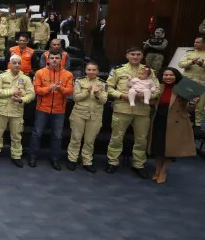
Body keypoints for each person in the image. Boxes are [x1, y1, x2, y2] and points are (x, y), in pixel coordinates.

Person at [105, 46, 157, 177]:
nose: (135, 57)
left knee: (141, 139)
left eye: (138, 54)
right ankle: (112, 161)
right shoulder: (118, 70)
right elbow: (109, 88)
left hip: (142, 110)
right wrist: (122, 95)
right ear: (127, 55)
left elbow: (157, 90)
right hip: (123, 108)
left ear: (142, 56)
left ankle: (138, 164)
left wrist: (148, 95)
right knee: (117, 137)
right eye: (132, 54)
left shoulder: (149, 71)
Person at [148, 68, 197, 184]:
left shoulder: (183, 88)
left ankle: (163, 171)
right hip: (159, 119)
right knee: (158, 146)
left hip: (176, 122)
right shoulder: (159, 87)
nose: (168, 77)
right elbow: (152, 103)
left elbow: (190, 109)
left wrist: (193, 102)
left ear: (176, 76)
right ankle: (157, 170)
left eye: (171, 75)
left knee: (171, 148)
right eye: (166, 75)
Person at [27, 50, 74, 169]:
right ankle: (32, 157)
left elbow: (70, 91)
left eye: (57, 58)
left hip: (59, 110)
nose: (54, 60)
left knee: (57, 136)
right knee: (37, 134)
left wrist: (60, 89)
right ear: (47, 59)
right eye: (52, 58)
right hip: (42, 108)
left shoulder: (68, 74)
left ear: (61, 59)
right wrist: (49, 88)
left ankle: (55, 159)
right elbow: (37, 90)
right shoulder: (40, 73)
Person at [0, 54, 35, 167]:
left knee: (16, 135)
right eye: (14, 63)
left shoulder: (26, 78)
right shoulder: (1, 76)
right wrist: (12, 92)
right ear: (10, 64)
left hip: (17, 111)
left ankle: (16, 155)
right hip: (2, 110)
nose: (17, 65)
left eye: (19, 63)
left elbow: (32, 94)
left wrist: (21, 99)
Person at [67, 62, 107, 172]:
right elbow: (76, 97)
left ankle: (87, 161)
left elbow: (104, 100)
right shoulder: (79, 81)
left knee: (89, 141)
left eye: (94, 70)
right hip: (79, 113)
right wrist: (88, 92)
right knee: (75, 138)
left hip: (95, 116)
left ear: (98, 71)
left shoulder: (103, 83)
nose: (91, 72)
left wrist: (98, 93)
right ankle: (72, 159)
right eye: (89, 69)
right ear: (85, 70)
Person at [178, 36, 205, 128]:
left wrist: (202, 64)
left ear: (204, 44)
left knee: (199, 106)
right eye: (194, 42)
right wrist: (191, 62)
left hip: (202, 82)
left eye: (197, 42)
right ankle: (179, 121)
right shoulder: (189, 53)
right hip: (187, 80)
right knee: (182, 103)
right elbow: (181, 64)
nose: (195, 44)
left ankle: (197, 125)